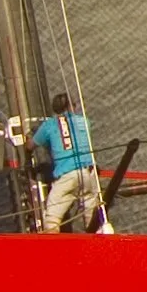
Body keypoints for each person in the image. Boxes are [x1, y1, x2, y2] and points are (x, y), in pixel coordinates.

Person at [33, 93, 100, 233]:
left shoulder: (49, 125)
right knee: (92, 221)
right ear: (71, 106)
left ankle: (56, 250)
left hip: (67, 178)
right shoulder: (84, 121)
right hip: (88, 175)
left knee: (51, 218)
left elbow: (31, 145)